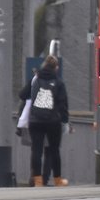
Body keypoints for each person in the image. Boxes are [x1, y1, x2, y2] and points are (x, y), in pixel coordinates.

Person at [19, 55, 71, 187]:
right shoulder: (58, 82)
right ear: (56, 67)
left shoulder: (35, 79)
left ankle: (38, 180)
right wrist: (64, 120)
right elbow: (63, 103)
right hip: (53, 121)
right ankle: (58, 180)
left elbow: (22, 95)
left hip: (35, 120)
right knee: (54, 150)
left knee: (36, 150)